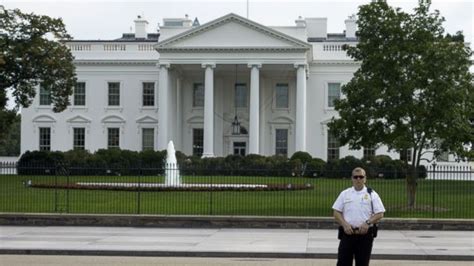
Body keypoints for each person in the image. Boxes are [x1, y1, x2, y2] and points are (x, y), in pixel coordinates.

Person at [332, 167, 385, 266]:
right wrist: (344, 225)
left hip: (365, 236)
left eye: (361, 177)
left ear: (365, 179)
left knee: (362, 263)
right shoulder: (345, 194)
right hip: (348, 234)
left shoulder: (372, 194)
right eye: (355, 177)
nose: (358, 179)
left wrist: (367, 223)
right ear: (351, 178)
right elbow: (336, 212)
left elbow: (380, 213)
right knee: (343, 263)